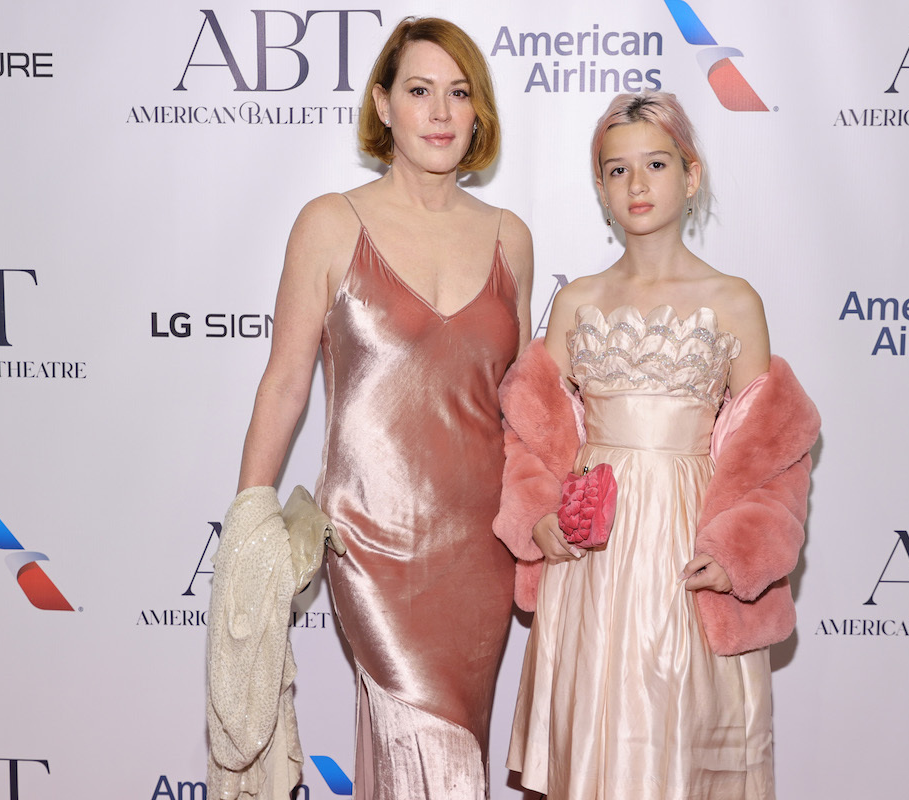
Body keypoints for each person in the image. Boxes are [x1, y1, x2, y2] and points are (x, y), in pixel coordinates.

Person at [235, 17, 534, 799]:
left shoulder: (512, 239)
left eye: (459, 93)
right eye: (420, 90)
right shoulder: (331, 222)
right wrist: (247, 521)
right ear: (384, 103)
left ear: (478, 114)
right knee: (422, 748)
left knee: (455, 751)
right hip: (371, 537)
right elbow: (286, 382)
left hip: (482, 546)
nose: (440, 112)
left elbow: (521, 406)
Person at [496, 92, 819, 799]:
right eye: (617, 170)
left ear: (691, 175)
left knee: (674, 739)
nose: (637, 185)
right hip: (591, 556)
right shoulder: (576, 301)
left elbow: (770, 455)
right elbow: (534, 434)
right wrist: (538, 517)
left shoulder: (736, 301)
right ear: (600, 188)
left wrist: (738, 554)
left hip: (685, 552)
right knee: (595, 740)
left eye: (656, 164)